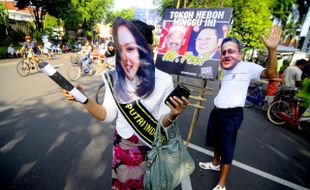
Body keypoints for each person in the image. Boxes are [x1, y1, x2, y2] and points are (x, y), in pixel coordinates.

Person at [62, 17, 189, 190]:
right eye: (123, 48)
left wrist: (173, 115)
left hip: (151, 149)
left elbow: (162, 124)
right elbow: (107, 115)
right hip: (123, 148)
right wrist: (83, 99)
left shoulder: (165, 80)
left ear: (149, 49)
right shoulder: (114, 77)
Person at [198, 25, 282, 190]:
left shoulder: (248, 67)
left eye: (231, 51)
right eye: (224, 52)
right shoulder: (225, 69)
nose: (227, 55)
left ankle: (221, 184)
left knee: (226, 147)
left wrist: (272, 50)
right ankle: (215, 163)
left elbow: (271, 74)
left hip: (232, 115)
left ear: (240, 54)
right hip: (217, 112)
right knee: (215, 140)